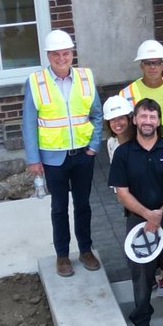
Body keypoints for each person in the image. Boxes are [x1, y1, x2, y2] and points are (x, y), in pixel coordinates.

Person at [23, 29, 103, 278]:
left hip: (82, 155)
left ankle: (86, 250)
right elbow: (28, 123)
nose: (61, 58)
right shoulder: (36, 82)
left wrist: (94, 147)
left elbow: (97, 115)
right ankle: (62, 256)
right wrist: (33, 159)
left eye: (66, 53)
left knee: (83, 205)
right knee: (59, 208)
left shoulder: (86, 77)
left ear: (72, 54)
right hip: (52, 157)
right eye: (56, 54)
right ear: (48, 56)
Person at [108, 98, 163, 326]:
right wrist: (148, 215)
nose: (148, 121)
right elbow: (122, 192)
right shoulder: (123, 153)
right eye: (143, 116)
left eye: (153, 117)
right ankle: (141, 324)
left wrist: (161, 214)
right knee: (140, 275)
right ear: (135, 119)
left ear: (159, 121)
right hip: (138, 224)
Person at [102, 94, 133, 165]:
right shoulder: (111, 142)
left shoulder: (140, 141)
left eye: (121, 118)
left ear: (128, 119)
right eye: (112, 119)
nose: (117, 123)